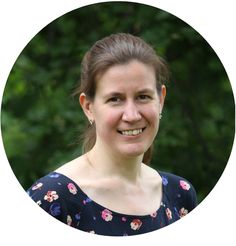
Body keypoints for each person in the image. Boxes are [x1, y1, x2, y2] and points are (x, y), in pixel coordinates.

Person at [27, 33, 197, 236]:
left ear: (160, 100)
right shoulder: (53, 199)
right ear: (88, 107)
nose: (132, 115)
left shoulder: (180, 194)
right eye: (115, 99)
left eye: (143, 97)